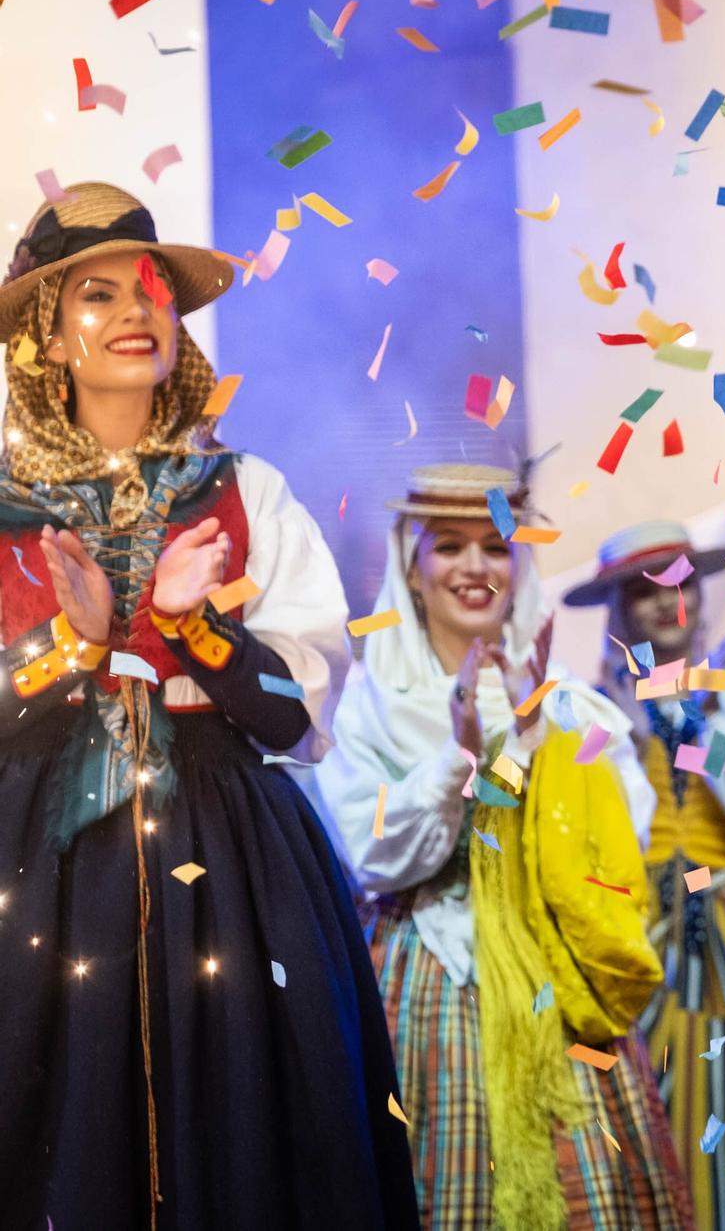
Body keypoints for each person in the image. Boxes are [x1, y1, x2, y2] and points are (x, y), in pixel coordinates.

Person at [0, 182, 417, 1227]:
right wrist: (76, 642)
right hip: (40, 863)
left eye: (150, 289)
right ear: (47, 342)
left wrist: (200, 630)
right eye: (96, 295)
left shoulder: (248, 491)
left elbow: (297, 718)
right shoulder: (4, 510)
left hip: (230, 857)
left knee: (248, 1123)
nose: (135, 310)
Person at [313, 465, 691, 1230]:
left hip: (556, 983)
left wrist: (532, 739)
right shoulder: (370, 706)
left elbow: (617, 849)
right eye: (449, 546)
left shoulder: (573, 705)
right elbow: (377, 857)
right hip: (425, 984)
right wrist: (461, 757)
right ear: (412, 570)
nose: (476, 567)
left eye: (495, 545)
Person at [564, 521, 725, 1229]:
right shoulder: (594, 710)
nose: (666, 602)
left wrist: (698, 717)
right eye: (644, 590)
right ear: (619, 607)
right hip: (630, 933)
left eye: (678, 583)